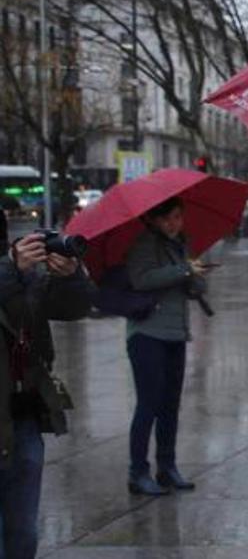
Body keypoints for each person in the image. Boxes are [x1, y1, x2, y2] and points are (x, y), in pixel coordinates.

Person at [0, 229, 93, 558]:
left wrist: (71, 277)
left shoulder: (23, 271)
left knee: (22, 533)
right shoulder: (11, 268)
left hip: (21, 418)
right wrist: (10, 267)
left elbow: (75, 307)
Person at [124, 197, 208, 495]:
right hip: (147, 335)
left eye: (178, 217)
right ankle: (138, 471)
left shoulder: (179, 246)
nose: (174, 224)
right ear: (155, 219)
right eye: (168, 218)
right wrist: (183, 270)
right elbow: (142, 279)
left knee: (170, 405)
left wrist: (197, 276)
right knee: (148, 404)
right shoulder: (145, 244)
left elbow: (192, 288)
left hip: (175, 334)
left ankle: (167, 467)